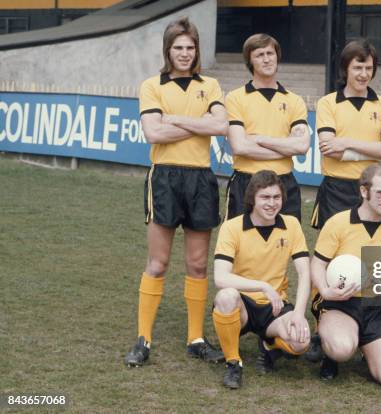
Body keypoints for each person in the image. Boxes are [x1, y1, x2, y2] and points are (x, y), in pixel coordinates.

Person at [124, 17, 227, 367]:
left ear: (197, 50)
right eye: (178, 47)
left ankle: (196, 339)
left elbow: (221, 126)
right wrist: (198, 125)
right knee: (158, 262)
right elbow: (153, 134)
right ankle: (143, 339)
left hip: (201, 178)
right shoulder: (152, 85)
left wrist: (175, 120)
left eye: (190, 47)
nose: (185, 53)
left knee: (197, 264)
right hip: (165, 178)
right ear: (168, 50)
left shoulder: (210, 85)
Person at [307, 39, 381, 362]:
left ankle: (366, 326)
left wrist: (348, 145)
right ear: (345, 68)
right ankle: (324, 326)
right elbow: (328, 147)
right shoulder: (329, 103)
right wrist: (364, 148)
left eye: (369, 68)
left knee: (371, 257)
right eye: (357, 67)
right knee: (329, 259)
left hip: (372, 192)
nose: (363, 73)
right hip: (336, 188)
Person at [212, 170, 311, 389]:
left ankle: (268, 344)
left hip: (274, 307)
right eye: (265, 197)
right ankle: (233, 363)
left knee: (300, 342)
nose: (272, 203)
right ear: (252, 199)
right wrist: (263, 286)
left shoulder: (291, 224)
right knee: (226, 297)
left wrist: (298, 314)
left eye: (276, 197)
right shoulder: (232, 227)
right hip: (243, 305)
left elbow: (305, 273)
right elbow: (220, 277)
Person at [310, 163, 381, 386]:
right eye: (380, 192)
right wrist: (326, 292)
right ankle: (330, 352)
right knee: (342, 349)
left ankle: (365, 343)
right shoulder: (338, 222)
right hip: (340, 303)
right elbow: (317, 264)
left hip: (374, 306)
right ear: (364, 191)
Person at [224, 33, 310, 221]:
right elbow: (240, 147)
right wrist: (285, 149)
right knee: (243, 245)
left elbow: (302, 147)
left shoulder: (294, 100)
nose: (266, 59)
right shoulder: (235, 98)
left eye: (270, 53)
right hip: (246, 181)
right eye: (259, 55)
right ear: (250, 61)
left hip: (283, 181)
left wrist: (260, 139)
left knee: (286, 245)